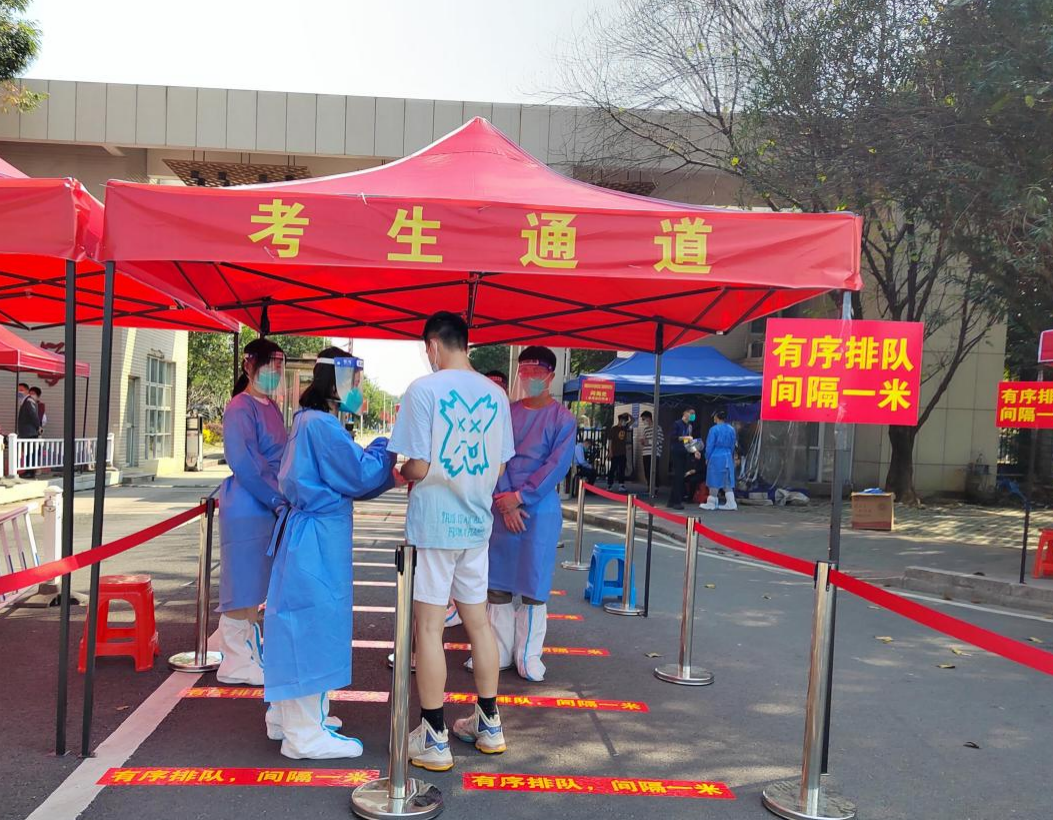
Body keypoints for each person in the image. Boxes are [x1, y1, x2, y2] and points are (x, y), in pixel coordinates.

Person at [388, 311, 514, 773]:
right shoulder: (496, 394)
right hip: (476, 526)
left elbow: (419, 465)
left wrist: (401, 471)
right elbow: (500, 466)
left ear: (433, 345)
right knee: (478, 623)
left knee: (429, 629)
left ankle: (434, 734)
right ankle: (490, 724)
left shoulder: (424, 390)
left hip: (433, 526)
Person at [263, 348, 395, 759]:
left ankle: (290, 718)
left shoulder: (308, 419)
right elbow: (360, 474)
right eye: (355, 382)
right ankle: (303, 735)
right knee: (312, 627)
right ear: (336, 382)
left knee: (296, 624)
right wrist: (387, 445)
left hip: (305, 533)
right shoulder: (322, 425)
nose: (358, 390)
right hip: (317, 536)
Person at [489, 346, 577, 682]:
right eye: (524, 372)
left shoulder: (563, 420)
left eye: (536, 373)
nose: (529, 379)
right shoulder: (506, 414)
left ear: (551, 376)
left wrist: (520, 497)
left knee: (533, 584)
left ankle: (528, 656)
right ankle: (496, 652)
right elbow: (496, 456)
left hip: (538, 510)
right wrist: (505, 499)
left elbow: (556, 466)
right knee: (496, 584)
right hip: (502, 504)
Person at [215, 339, 287, 687]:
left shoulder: (270, 406)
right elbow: (244, 461)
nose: (276, 372)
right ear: (249, 366)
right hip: (249, 505)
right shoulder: (240, 407)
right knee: (241, 587)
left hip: (269, 506)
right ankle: (234, 660)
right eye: (270, 365)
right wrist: (275, 498)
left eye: (280, 366)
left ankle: (248, 655)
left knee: (256, 587)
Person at [700, 409, 739, 511]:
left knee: (714, 479)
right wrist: (730, 456)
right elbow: (732, 445)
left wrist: (707, 457)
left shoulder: (714, 429)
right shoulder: (731, 429)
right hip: (728, 456)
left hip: (716, 455)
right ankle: (731, 502)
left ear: (716, 417)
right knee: (727, 480)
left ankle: (711, 503)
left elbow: (709, 445)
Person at [667, 407, 696, 510]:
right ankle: (677, 502)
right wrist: (685, 437)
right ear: (685, 413)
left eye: (694, 414)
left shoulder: (690, 426)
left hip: (685, 452)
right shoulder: (677, 424)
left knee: (679, 477)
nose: (693, 415)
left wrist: (695, 451)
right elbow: (673, 437)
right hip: (677, 452)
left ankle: (671, 501)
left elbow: (689, 442)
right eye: (691, 413)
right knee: (678, 477)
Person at [639, 410, 664, 494]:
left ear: (649, 418)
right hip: (645, 452)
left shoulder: (658, 428)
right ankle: (649, 486)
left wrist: (648, 442)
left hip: (654, 453)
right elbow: (644, 439)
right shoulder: (645, 429)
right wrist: (643, 442)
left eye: (644, 419)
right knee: (646, 470)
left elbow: (659, 440)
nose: (643, 421)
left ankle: (655, 487)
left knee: (653, 470)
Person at [606, 412, 631, 492]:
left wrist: (628, 414)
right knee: (613, 469)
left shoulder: (625, 428)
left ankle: (621, 485)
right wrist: (610, 451)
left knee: (622, 469)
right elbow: (610, 441)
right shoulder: (614, 429)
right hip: (615, 452)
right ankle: (610, 484)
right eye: (623, 421)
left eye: (625, 421)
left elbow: (633, 420)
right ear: (620, 420)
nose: (624, 422)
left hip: (622, 452)